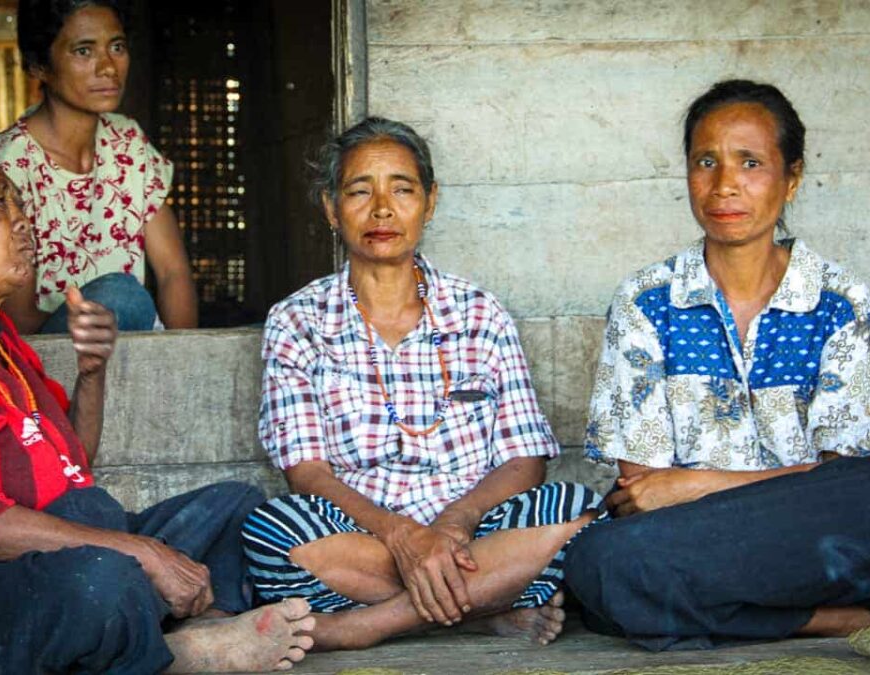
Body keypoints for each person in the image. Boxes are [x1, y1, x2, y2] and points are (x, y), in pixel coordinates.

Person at [0, 127, 313, 673]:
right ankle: (172, 655)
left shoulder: (1, 339)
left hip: (48, 548)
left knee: (233, 507)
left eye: (17, 200)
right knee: (99, 580)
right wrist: (141, 552)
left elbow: (71, 467)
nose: (20, 218)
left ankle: (200, 625)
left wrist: (92, 374)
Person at [564, 79, 870, 650]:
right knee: (602, 562)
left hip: (822, 533)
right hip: (705, 543)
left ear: (791, 177)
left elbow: (846, 479)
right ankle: (833, 618)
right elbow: (642, 490)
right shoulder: (647, 300)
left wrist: (696, 484)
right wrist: (689, 499)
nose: (725, 185)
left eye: (751, 162)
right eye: (706, 162)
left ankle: (743, 612)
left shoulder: (839, 300)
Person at [241, 117, 605, 651]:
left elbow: (525, 460)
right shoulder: (297, 321)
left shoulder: (480, 313)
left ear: (429, 202)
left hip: (473, 532)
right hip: (364, 536)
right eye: (360, 191)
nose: (382, 208)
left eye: (402, 189)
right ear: (330, 208)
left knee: (585, 514)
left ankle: (364, 628)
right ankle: (484, 610)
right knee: (270, 532)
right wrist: (402, 536)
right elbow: (307, 472)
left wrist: (454, 526)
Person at [0, 0, 197, 334]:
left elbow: (174, 272)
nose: (108, 68)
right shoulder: (9, 165)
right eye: (83, 51)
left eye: (116, 47)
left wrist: (183, 361)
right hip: (52, 357)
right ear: (38, 66)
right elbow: (19, 321)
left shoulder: (128, 142)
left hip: (130, 347)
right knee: (122, 296)